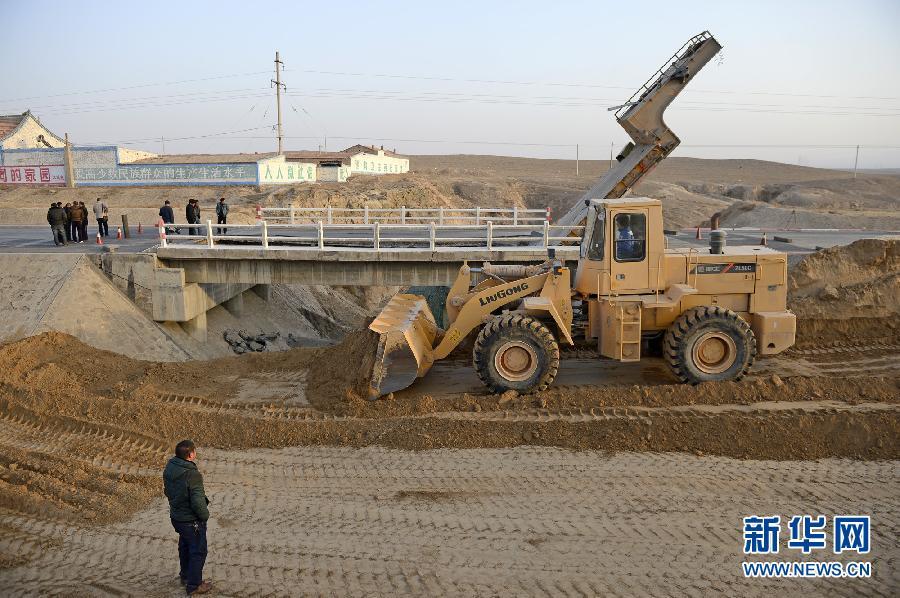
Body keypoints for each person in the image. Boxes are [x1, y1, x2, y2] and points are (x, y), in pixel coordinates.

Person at [163, 440, 212, 595]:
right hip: (191, 521)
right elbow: (198, 502)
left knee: (185, 546)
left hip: (177, 517)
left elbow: (167, 491)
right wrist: (205, 516)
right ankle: (194, 585)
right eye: (194, 451)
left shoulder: (170, 467)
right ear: (190, 454)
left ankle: (185, 576)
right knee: (198, 551)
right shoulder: (193, 475)